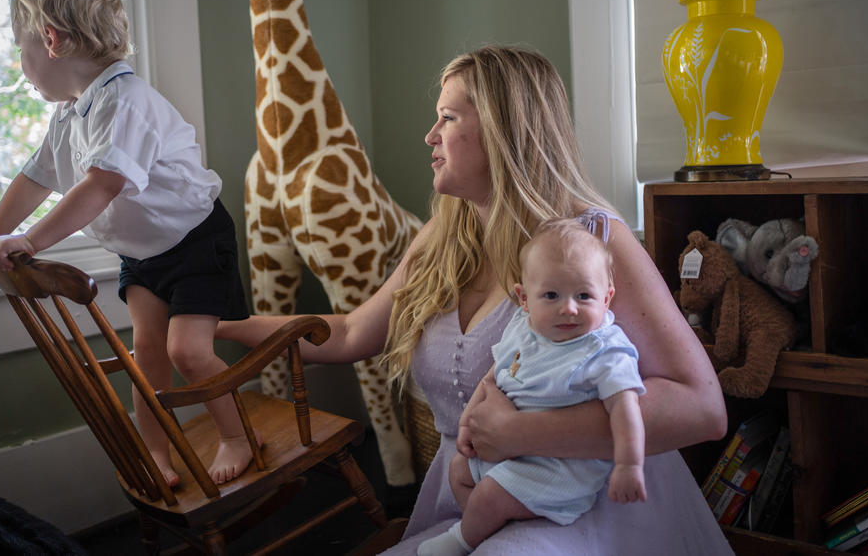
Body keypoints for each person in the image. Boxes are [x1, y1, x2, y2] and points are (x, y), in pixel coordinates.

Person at [218, 45, 732, 554]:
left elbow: (702, 408)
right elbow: (352, 332)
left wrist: (524, 432)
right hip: (469, 497)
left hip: (584, 500)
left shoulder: (591, 238)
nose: (430, 136)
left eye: (446, 117)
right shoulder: (442, 236)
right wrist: (222, 328)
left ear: (504, 131)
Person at [0, 0, 251, 487]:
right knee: (147, 356)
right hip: (143, 255)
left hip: (196, 242)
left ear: (50, 40)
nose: (21, 64)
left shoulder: (127, 101)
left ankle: (234, 435)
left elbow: (101, 185)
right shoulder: (71, 115)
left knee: (187, 350)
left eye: (20, 49)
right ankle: (156, 452)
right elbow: (35, 178)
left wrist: (30, 238)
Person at [417, 218, 646, 556]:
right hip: (511, 455)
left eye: (584, 295)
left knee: (491, 493)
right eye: (551, 295)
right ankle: (487, 523)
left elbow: (626, 409)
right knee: (459, 471)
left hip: (561, 468)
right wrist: (467, 423)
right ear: (524, 298)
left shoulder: (603, 350)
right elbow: (493, 377)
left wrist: (629, 465)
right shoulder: (523, 328)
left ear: (607, 298)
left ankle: (463, 539)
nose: (568, 308)